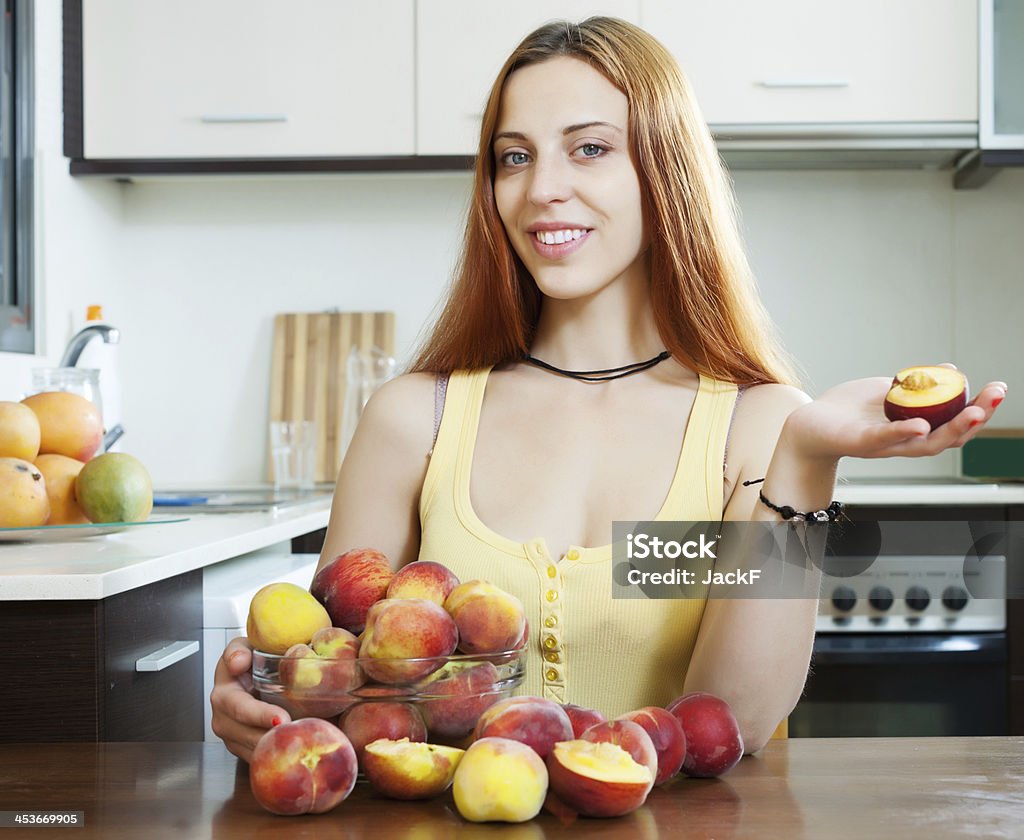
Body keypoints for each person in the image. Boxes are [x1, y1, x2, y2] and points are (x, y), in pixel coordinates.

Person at [211, 17, 1006, 763]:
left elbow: (731, 719)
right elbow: (342, 688)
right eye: (513, 157)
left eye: (589, 149)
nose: (542, 189)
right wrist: (270, 711)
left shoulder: (750, 428)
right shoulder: (415, 419)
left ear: (663, 168)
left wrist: (803, 462)